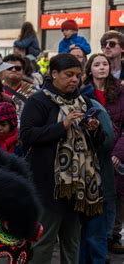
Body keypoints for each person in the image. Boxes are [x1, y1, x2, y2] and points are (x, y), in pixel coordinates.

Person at [20, 54, 103, 264]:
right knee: (43, 242)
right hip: (48, 185)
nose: (75, 80)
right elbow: (27, 136)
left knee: (72, 242)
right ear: (54, 74)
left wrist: (94, 129)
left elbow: (96, 142)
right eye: (69, 75)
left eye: (77, 75)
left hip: (77, 187)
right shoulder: (38, 101)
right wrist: (62, 126)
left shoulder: (82, 101)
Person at [82, 53, 124, 255]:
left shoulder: (120, 91)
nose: (102, 67)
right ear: (90, 69)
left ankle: (108, 239)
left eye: (105, 64)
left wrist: (118, 152)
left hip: (115, 154)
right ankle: (93, 245)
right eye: (97, 64)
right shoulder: (83, 93)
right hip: (90, 153)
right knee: (91, 197)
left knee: (112, 198)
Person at [1, 54, 37, 125]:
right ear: (2, 71)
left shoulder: (33, 92)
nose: (14, 70)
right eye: (9, 68)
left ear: (23, 72)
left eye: (18, 68)